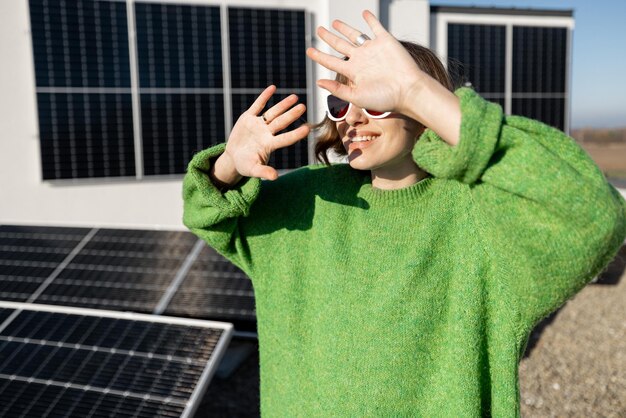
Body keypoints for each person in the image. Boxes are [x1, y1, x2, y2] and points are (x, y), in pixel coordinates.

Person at [182, 10, 626, 417]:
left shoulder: (478, 217)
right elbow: (206, 211)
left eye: (374, 99)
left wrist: (417, 91)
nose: (351, 118)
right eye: (341, 103)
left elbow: (590, 214)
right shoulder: (307, 200)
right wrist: (227, 165)